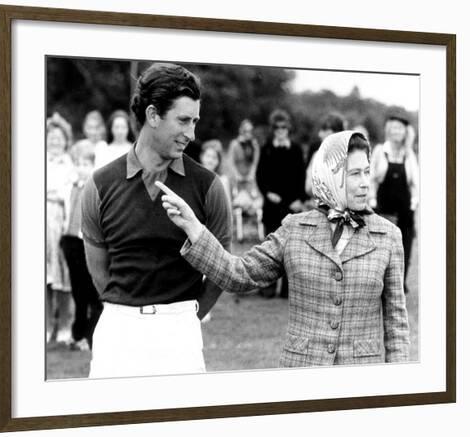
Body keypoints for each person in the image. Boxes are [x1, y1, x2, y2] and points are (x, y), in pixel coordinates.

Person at [158, 130, 410, 367]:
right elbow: (239, 274)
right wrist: (194, 228)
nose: (365, 182)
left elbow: (396, 325)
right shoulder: (295, 229)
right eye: (354, 174)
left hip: (362, 381)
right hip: (301, 374)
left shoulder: (388, 236)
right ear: (331, 175)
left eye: (367, 172)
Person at [81, 63, 232, 378]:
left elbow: (221, 267)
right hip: (116, 333)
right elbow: (99, 273)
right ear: (152, 115)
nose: (192, 134)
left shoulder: (208, 186)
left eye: (195, 121)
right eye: (183, 121)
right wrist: (127, 310)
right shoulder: (98, 186)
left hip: (180, 334)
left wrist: (188, 316)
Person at [256, 109, 305, 298]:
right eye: (277, 127)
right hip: (272, 205)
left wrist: (298, 199)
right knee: (270, 247)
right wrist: (268, 193)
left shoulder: (296, 149)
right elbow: (260, 175)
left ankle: (287, 290)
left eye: (284, 127)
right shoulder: (266, 147)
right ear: (273, 129)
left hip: (291, 206)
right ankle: (267, 288)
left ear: (288, 128)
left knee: (290, 249)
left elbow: (301, 175)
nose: (280, 130)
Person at [369, 108, 419, 291]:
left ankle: (398, 287)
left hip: (405, 211)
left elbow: (415, 183)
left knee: (404, 249)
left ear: (406, 132)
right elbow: (371, 178)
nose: (397, 132)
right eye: (394, 128)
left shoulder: (409, 154)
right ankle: (379, 287)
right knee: (382, 250)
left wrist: (413, 204)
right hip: (383, 208)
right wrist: (372, 201)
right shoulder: (379, 151)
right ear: (388, 130)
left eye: (401, 128)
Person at [59, 150, 103, 351]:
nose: (82, 168)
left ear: (92, 166)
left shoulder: (95, 188)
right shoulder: (70, 187)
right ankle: (77, 334)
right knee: (77, 290)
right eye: (79, 163)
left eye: (86, 164)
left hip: (86, 241)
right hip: (70, 241)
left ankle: (90, 335)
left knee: (90, 290)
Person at [46, 112, 76, 344]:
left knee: (63, 273)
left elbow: (69, 193)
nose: (55, 141)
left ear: (66, 140)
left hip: (62, 221)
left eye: (59, 138)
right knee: (44, 275)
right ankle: (46, 325)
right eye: (51, 137)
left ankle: (65, 325)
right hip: (42, 221)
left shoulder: (70, 165)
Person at [228, 119, 264, 242]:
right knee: (238, 200)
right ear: (241, 130)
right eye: (246, 130)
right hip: (238, 180)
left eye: (250, 130)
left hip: (250, 180)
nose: (248, 133)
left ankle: (257, 231)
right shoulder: (234, 144)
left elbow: (255, 161)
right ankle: (239, 232)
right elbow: (231, 162)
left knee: (256, 200)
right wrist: (237, 175)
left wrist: (251, 174)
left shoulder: (253, 144)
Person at [305, 111, 347, 198]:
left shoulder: (350, 156)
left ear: (336, 132)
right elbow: (309, 188)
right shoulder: (316, 156)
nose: (320, 134)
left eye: (324, 130)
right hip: (320, 208)